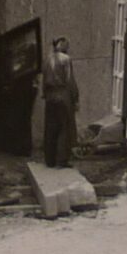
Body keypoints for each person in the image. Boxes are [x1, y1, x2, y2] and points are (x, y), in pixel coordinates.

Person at [42, 36, 79, 168]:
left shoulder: (47, 59)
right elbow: (70, 80)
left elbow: (44, 81)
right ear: (61, 44)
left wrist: (45, 95)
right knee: (65, 127)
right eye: (67, 45)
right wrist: (75, 98)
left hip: (50, 97)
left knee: (50, 128)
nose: (68, 48)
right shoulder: (66, 59)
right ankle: (61, 160)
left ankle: (49, 160)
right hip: (63, 95)